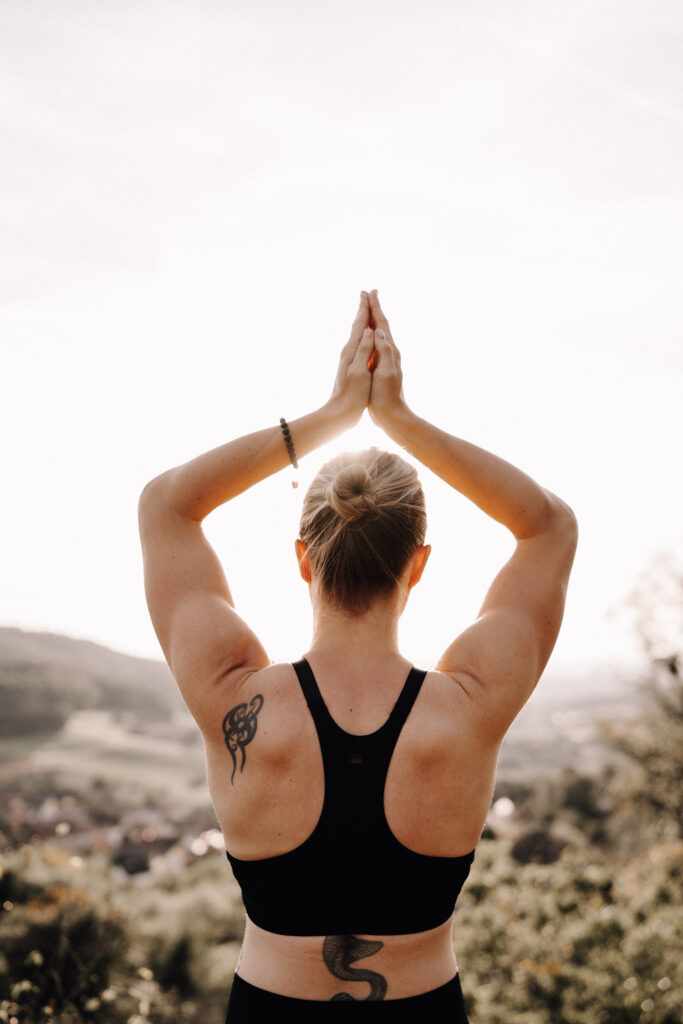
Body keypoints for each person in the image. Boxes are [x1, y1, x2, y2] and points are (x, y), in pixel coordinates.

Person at [138, 289, 578, 1022]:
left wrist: (334, 415)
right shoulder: (468, 705)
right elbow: (547, 527)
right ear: (418, 564)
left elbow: (165, 506)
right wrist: (398, 417)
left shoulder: (231, 692)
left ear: (304, 561)